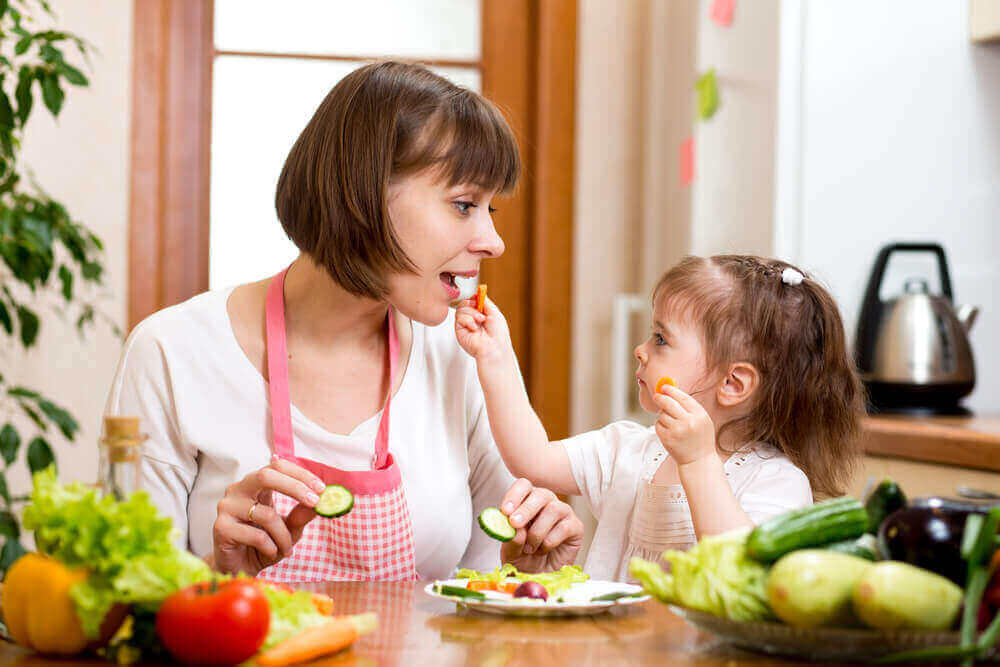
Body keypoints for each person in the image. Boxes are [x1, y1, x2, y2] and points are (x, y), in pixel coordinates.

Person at [104, 61, 584, 582]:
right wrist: (215, 573)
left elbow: (488, 585)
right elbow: (124, 604)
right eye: (465, 204)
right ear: (363, 193)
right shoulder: (172, 351)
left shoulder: (460, 352)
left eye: (493, 210)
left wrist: (527, 570)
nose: (494, 242)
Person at [455, 254, 865, 581]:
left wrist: (699, 461)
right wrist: (495, 357)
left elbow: (740, 570)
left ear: (734, 384)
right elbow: (533, 459)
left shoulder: (776, 481)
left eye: (661, 338)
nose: (641, 349)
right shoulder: (628, 450)